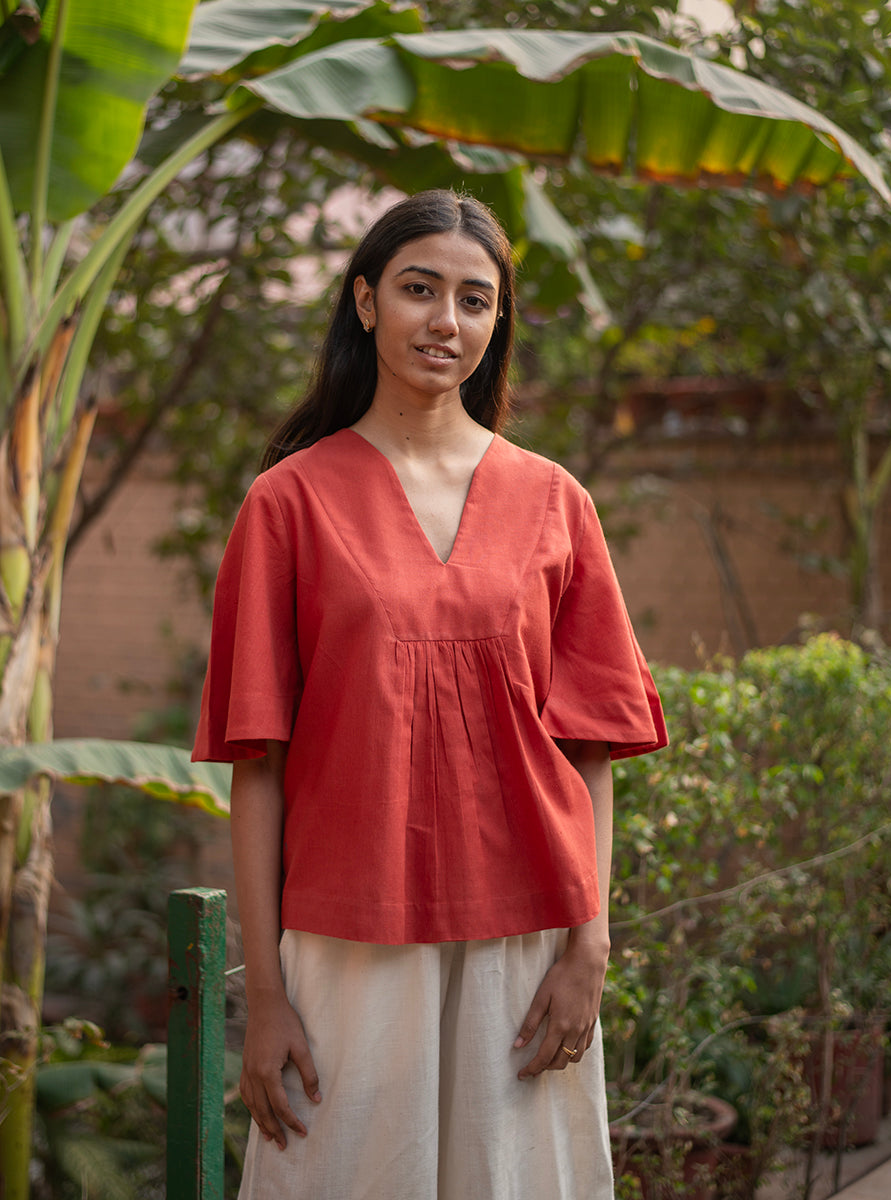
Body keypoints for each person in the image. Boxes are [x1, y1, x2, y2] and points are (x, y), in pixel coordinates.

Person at [192, 188, 667, 1200]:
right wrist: (265, 997)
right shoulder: (288, 503)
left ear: (496, 324)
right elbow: (257, 768)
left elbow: (591, 747)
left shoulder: (554, 502)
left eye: (475, 300)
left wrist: (590, 947)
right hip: (348, 939)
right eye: (419, 290)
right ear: (366, 302)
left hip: (528, 931)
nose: (445, 321)